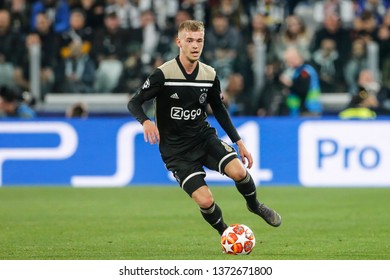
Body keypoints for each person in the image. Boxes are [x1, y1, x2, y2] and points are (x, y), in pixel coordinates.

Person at [127, 20, 281, 238]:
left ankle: (254, 205)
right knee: (206, 200)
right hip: (176, 151)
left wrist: (239, 142)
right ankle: (225, 233)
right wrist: (146, 121)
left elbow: (218, 109)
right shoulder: (163, 74)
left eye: (199, 40)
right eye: (189, 40)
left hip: (203, 138)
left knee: (239, 171)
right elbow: (134, 102)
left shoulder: (209, 75)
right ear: (179, 42)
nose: (195, 45)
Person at [279, 47, 322, 117]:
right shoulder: (294, 71)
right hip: (296, 111)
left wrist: (289, 84)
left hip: (308, 111)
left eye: (290, 59)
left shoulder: (305, 71)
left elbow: (303, 89)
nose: (288, 62)